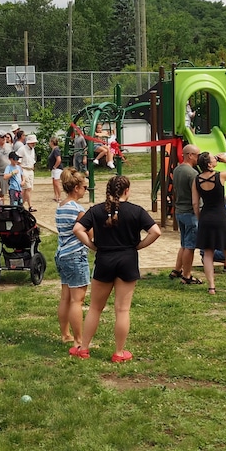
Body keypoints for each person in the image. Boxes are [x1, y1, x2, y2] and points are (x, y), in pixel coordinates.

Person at [72, 174, 163, 363]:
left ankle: (84, 348)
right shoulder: (136, 211)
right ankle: (119, 353)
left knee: (95, 308)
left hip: (104, 259)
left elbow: (77, 229)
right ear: (126, 191)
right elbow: (156, 231)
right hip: (127, 260)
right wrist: (139, 245)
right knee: (122, 310)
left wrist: (92, 245)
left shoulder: (96, 210)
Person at [192, 152, 226, 293]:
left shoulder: (196, 179)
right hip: (220, 217)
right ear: (210, 164)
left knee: (208, 253)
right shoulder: (220, 175)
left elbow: (195, 203)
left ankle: (211, 287)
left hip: (205, 216)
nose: (215, 158)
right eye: (213, 158)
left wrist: (200, 218)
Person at [55, 168, 91, 355]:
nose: (86, 190)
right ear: (76, 188)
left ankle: (65, 334)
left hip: (62, 253)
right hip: (76, 255)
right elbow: (88, 233)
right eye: (85, 187)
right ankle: (79, 340)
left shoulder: (61, 205)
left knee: (65, 297)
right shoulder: (78, 210)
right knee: (78, 300)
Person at [169, 143, 201, 285]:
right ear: (190, 155)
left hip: (179, 211)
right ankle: (187, 276)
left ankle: (177, 269)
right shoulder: (193, 174)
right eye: (197, 155)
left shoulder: (177, 170)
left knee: (183, 243)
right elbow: (196, 197)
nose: (198, 158)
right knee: (190, 246)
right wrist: (198, 214)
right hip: (190, 212)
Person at [20, 133, 38, 211]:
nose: (34, 144)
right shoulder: (22, 149)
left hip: (30, 170)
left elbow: (32, 159)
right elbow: (18, 161)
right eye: (32, 142)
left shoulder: (32, 149)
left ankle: (21, 205)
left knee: (27, 190)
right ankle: (30, 206)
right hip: (24, 169)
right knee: (28, 188)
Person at [47, 137, 63, 202]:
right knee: (54, 182)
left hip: (57, 169)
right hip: (54, 169)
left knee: (57, 183)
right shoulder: (53, 149)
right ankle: (56, 196)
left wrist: (55, 166)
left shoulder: (56, 150)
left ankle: (59, 197)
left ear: (52, 142)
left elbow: (59, 159)